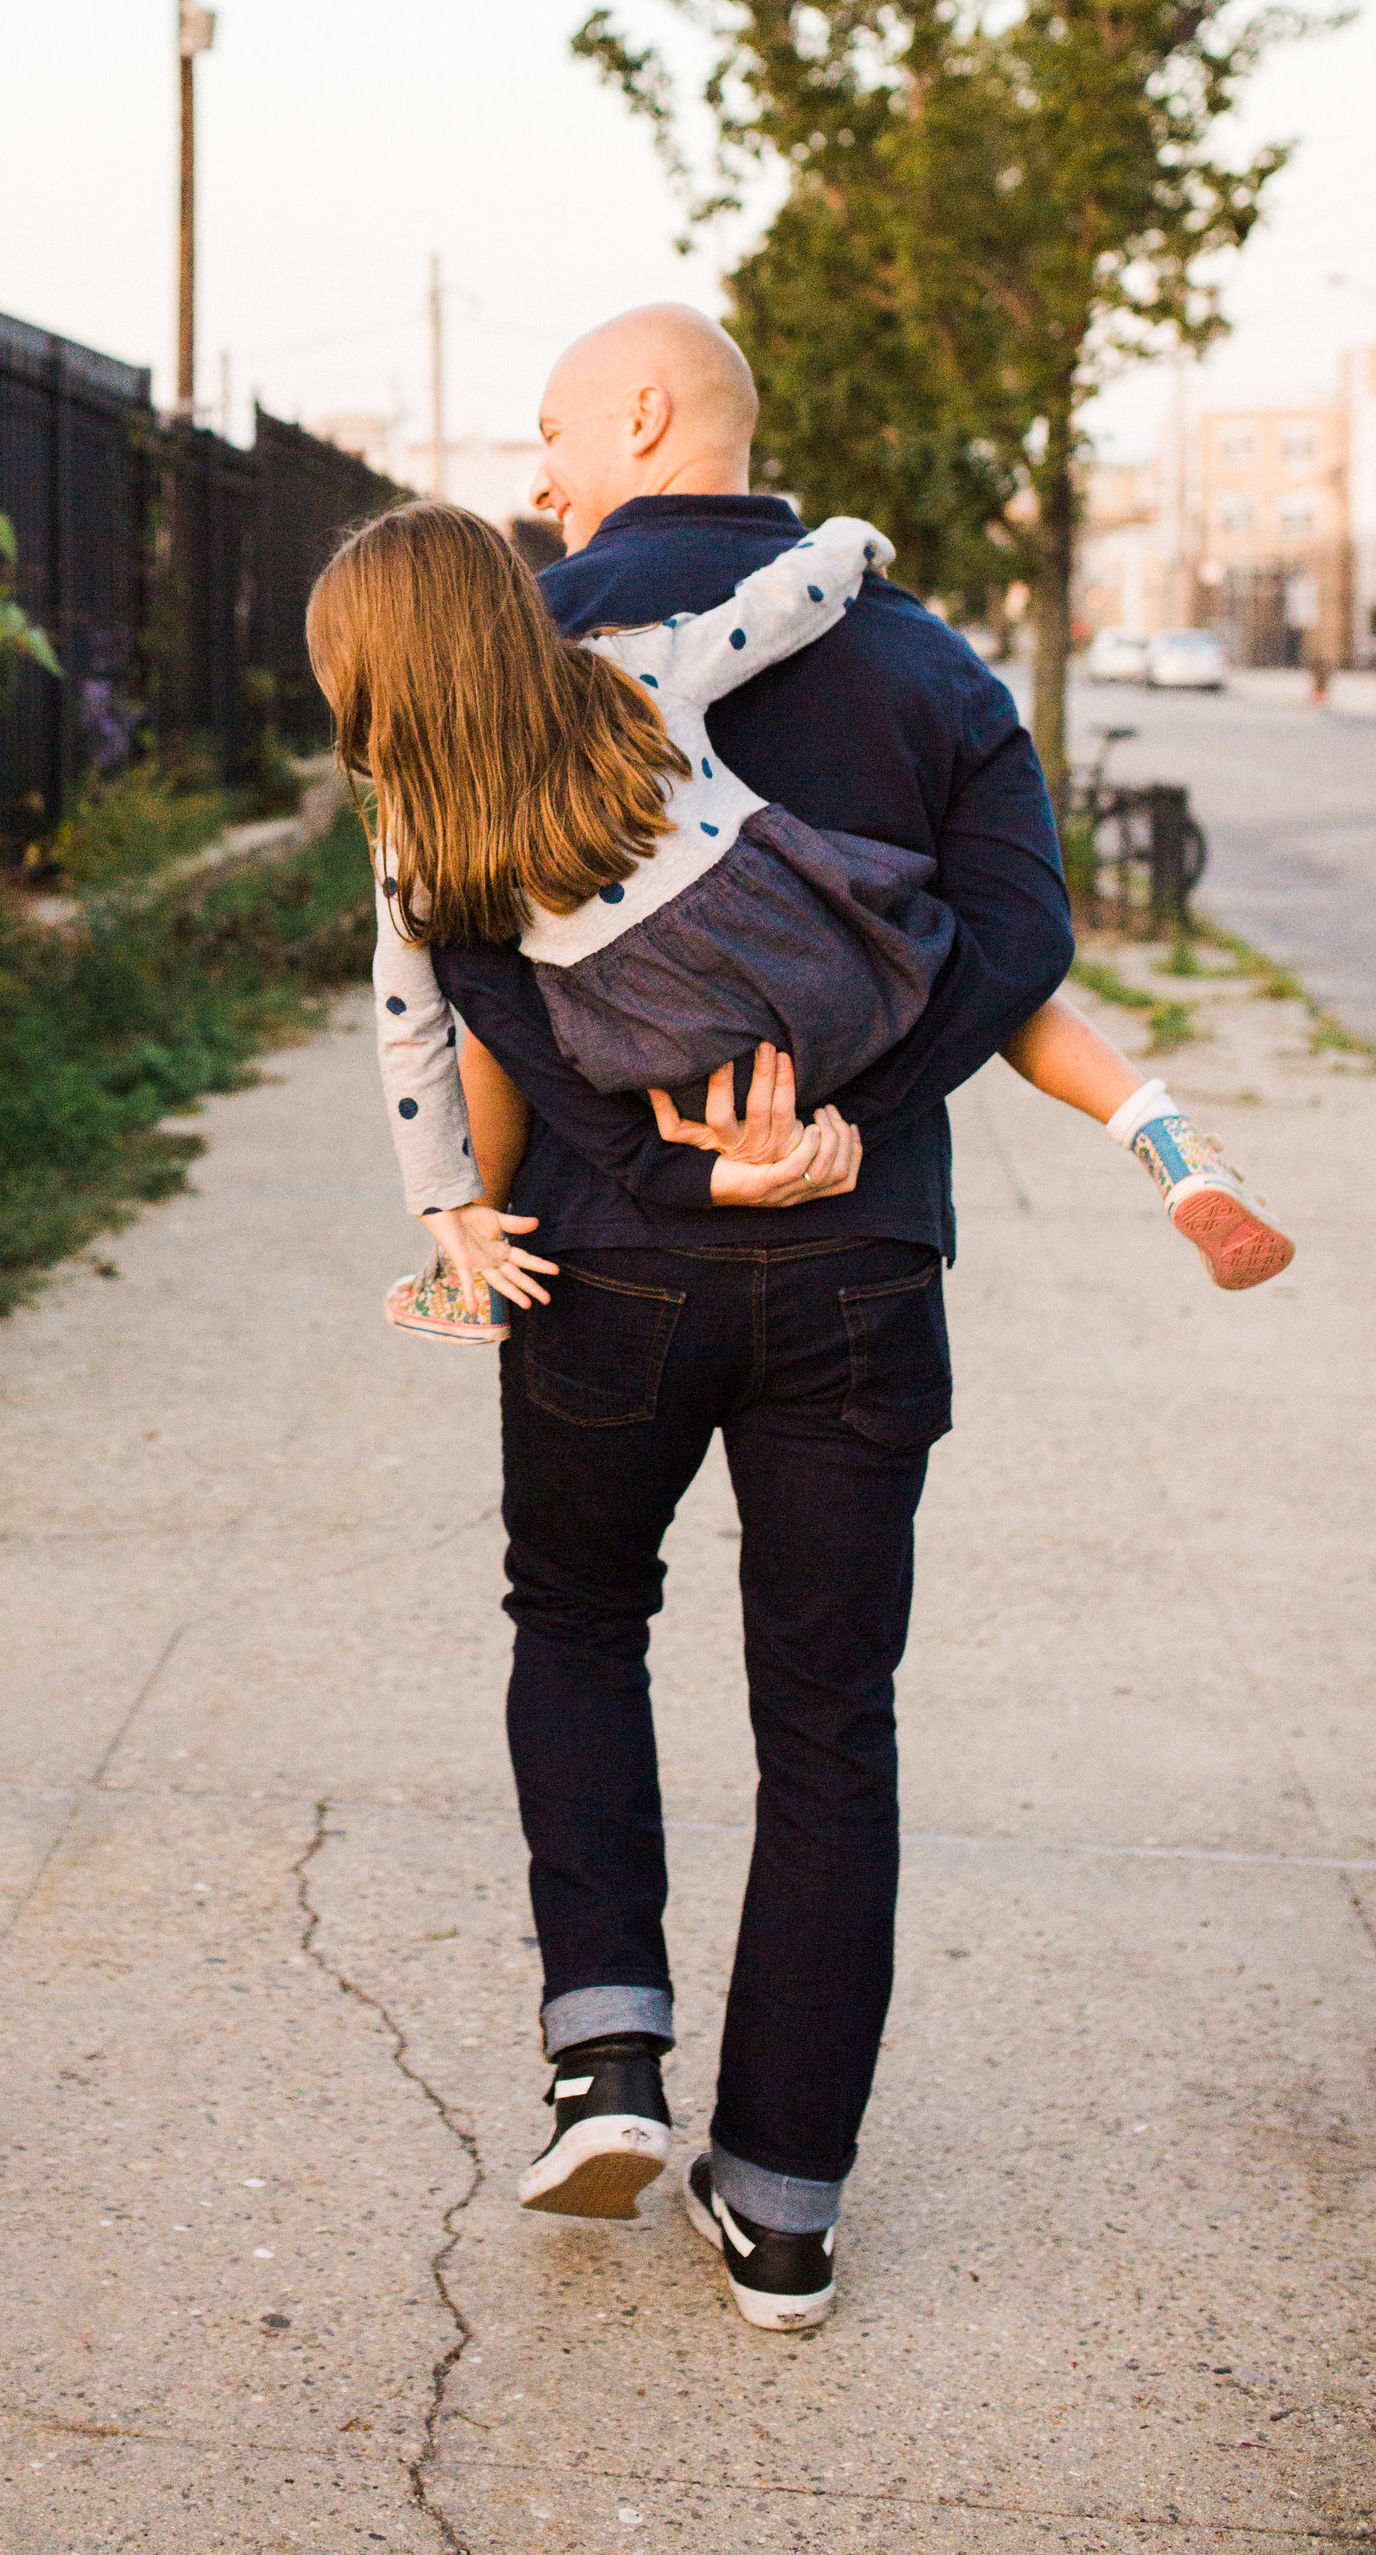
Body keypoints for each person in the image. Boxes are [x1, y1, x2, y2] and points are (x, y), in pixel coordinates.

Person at [407, 304, 1125, 2333]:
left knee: (577, 1614)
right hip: (857, 1274)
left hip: (607, 1257)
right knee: (831, 1718)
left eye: (554, 429)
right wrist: (845, 1118)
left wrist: (659, 1158)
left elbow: (474, 959)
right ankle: (787, 2206)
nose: (541, 475)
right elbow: (1023, 937)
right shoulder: (925, 655)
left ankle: (606, 2052)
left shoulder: (525, 655)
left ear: (644, 411)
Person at [306, 501, 1290, 1346]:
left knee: (488, 1000)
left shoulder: (416, 841)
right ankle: (1159, 1133)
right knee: (980, 982)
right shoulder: (626, 670)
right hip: (816, 948)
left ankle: (472, 1256)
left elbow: (409, 1025)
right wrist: (848, 543)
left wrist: (441, 1193)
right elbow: (768, 616)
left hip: (667, 1047)